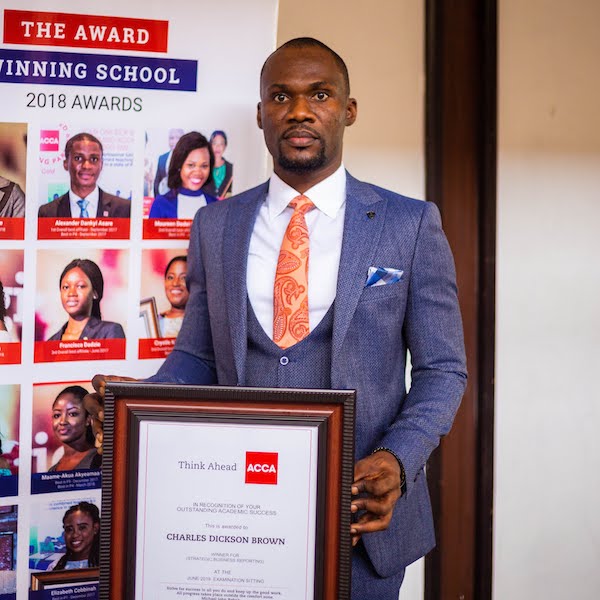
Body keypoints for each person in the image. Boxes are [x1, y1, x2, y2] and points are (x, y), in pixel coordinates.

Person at [94, 38, 466, 598]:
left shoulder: (409, 224)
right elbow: (197, 356)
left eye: (320, 95)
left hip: (360, 526)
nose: (299, 111)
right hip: (238, 518)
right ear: (261, 114)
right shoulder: (217, 225)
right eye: (281, 96)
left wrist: (398, 457)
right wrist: (134, 404)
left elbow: (443, 370)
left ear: (348, 110)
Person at [38, 133, 130, 218]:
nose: (86, 166)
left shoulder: (124, 209)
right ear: (66, 164)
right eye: (78, 158)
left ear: (101, 165)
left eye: (94, 159)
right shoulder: (48, 212)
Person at [46, 258, 125, 341]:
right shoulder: (51, 341)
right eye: (66, 287)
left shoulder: (109, 331)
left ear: (95, 293)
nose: (71, 293)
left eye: (80, 286)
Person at [149, 132, 218, 219]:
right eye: (191, 165)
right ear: (179, 165)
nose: (197, 172)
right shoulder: (161, 205)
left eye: (204, 166)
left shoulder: (216, 205)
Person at [48, 385, 100, 471]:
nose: (62, 422)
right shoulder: (52, 471)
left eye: (72, 414)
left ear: (88, 419)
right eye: (57, 415)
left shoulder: (99, 461)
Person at [50, 501, 100, 571]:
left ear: (95, 528)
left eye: (82, 528)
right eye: (69, 529)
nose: (75, 535)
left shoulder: (108, 564)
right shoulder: (56, 566)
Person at [158, 255, 189, 338]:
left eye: (183, 278)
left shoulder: (203, 321)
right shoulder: (154, 321)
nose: (175, 283)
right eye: (170, 277)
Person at [201, 130, 233, 199]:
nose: (217, 147)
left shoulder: (231, 168)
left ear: (225, 146)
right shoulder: (203, 166)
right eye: (214, 143)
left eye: (221, 144)